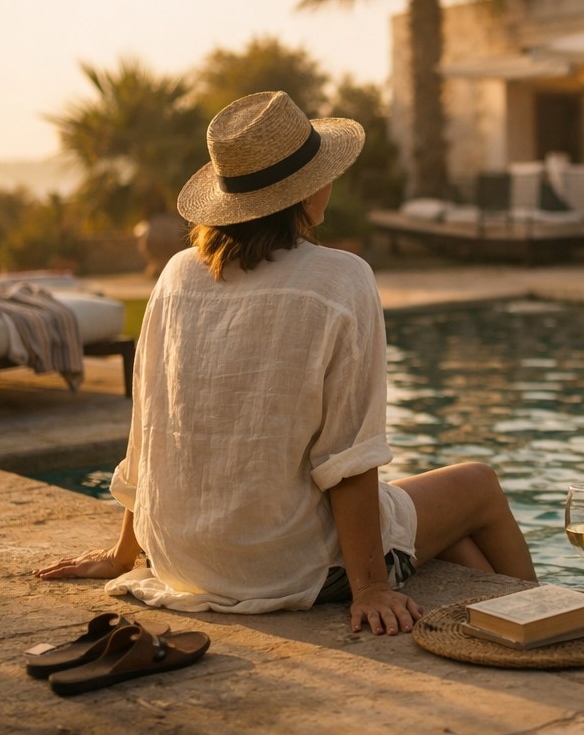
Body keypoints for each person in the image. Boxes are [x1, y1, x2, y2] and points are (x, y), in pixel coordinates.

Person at [36, 91, 536, 635]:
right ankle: (548, 621)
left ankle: (501, 634)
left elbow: (150, 429)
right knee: (478, 485)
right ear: (303, 191)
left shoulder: (176, 275)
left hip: (180, 560)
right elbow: (348, 456)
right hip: (288, 570)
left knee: (448, 536)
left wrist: (122, 552)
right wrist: (370, 587)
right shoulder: (341, 278)